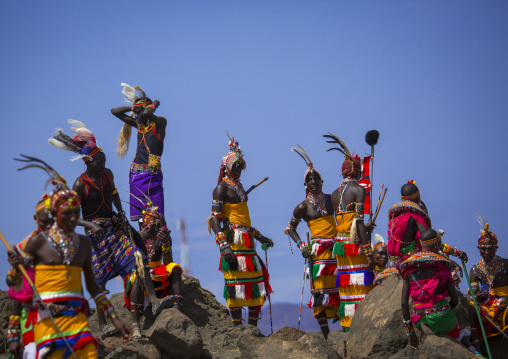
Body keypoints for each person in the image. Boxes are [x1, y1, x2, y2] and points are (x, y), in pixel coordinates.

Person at [48, 121, 172, 339]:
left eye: (104, 162)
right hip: (96, 234)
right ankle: (103, 324)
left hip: (114, 226)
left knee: (138, 258)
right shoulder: (80, 184)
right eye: (99, 163)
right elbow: (69, 216)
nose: (102, 166)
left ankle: (154, 300)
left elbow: (113, 194)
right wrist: (90, 225)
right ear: (88, 161)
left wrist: (121, 213)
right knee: (99, 281)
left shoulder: (108, 175)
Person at [8, 156, 132, 359]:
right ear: (57, 213)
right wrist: (13, 334)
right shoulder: (37, 242)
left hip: (78, 323)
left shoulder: (83, 244)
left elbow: (94, 288)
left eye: (76, 213)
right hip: (47, 323)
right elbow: (15, 284)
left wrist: (115, 319)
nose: (73, 219)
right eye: (67, 214)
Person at [207, 135, 273, 326]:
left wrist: (261, 238)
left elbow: (244, 222)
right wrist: (224, 247)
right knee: (235, 287)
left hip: (247, 243)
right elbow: (214, 219)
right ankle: (237, 330)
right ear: (226, 167)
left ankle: (252, 330)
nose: (238, 169)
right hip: (233, 244)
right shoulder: (220, 189)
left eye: (240, 165)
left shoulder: (240, 187)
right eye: (234, 165)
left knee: (255, 285)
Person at [401, 228, 482, 357]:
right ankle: (476, 354)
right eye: (439, 243)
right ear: (435, 245)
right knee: (459, 331)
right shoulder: (442, 265)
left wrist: (410, 334)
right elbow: (454, 300)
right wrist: (446, 310)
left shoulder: (408, 267)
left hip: (420, 320)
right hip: (443, 318)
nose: (441, 246)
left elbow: (404, 304)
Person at [284, 145, 338, 339]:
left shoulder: (333, 200)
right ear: (305, 184)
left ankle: (347, 332)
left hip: (337, 251)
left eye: (316, 178)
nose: (313, 181)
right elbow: (290, 229)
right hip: (319, 255)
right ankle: (327, 338)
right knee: (320, 294)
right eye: (309, 179)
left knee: (342, 289)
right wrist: (302, 247)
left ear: (322, 181)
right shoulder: (302, 207)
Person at [324, 133, 374, 331]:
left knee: (346, 285)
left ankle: (347, 328)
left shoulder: (335, 194)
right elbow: (359, 222)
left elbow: (344, 221)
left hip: (340, 246)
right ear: (356, 171)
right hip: (354, 245)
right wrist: (368, 249)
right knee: (361, 282)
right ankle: (364, 327)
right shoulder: (358, 190)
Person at [111, 84, 167, 226]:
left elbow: (148, 114)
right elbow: (114, 111)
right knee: (142, 219)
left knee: (158, 218)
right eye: (135, 113)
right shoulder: (139, 125)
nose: (136, 116)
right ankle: (145, 246)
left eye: (138, 112)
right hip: (137, 176)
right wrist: (133, 108)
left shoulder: (160, 124)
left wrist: (153, 105)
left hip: (154, 176)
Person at [124, 203, 183, 337]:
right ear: (145, 226)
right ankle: (136, 326)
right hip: (140, 272)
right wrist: (138, 240)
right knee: (138, 274)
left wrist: (166, 243)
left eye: (158, 224)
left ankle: (176, 309)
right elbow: (129, 262)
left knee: (176, 268)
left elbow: (168, 262)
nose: (156, 227)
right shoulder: (135, 238)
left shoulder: (164, 237)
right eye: (152, 224)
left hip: (157, 271)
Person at [6, 195, 54, 359]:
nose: (48, 225)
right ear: (36, 220)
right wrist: (13, 334)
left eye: (52, 220)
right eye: (43, 221)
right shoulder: (26, 248)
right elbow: (19, 292)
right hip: (31, 315)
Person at [387, 181, 467, 270]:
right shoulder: (415, 214)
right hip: (411, 257)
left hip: (395, 260)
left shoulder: (395, 214)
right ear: (418, 196)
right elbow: (428, 239)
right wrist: (455, 252)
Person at [468, 216, 508, 355]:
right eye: (483, 249)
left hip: (506, 301)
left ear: (496, 248)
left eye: (490, 249)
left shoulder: (506, 264)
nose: (486, 252)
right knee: (470, 310)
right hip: (487, 304)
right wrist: (477, 296)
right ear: (478, 248)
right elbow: (473, 293)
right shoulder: (475, 269)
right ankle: (476, 350)